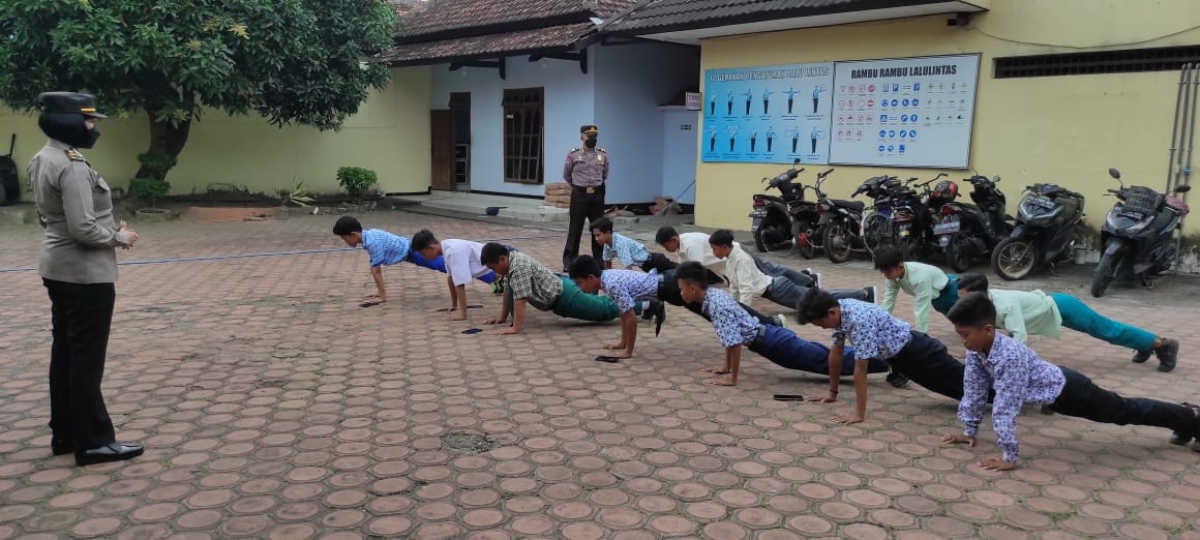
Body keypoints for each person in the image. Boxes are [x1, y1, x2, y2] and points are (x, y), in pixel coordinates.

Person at [942, 293, 1200, 471]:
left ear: (987, 330)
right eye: (959, 335)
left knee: (1124, 411)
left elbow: (1005, 407)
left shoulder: (1010, 356)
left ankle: (1190, 417)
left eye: (965, 335)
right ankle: (1185, 419)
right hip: (1054, 395)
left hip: (1072, 390)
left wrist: (1009, 456)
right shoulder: (977, 351)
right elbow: (974, 391)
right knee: (1124, 411)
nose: (963, 341)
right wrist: (968, 430)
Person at [30, 92, 144, 466]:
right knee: (86, 358)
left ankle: (65, 432)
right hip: (84, 273)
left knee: (64, 352)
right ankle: (93, 441)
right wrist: (119, 238)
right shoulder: (72, 165)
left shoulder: (41, 157)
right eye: (89, 121)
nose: (93, 128)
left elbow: (51, 219)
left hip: (56, 267)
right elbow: (82, 227)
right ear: (70, 122)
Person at [674, 262, 891, 387]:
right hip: (770, 338)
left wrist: (732, 377)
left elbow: (735, 343)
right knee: (820, 355)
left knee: (823, 360)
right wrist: (725, 368)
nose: (680, 293)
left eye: (682, 288)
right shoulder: (714, 297)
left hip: (773, 343)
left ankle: (885, 361)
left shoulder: (716, 306)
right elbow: (731, 340)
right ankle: (882, 357)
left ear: (693, 289)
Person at [799, 289, 996, 425]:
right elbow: (836, 353)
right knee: (957, 390)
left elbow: (861, 370)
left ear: (832, 312)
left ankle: (1011, 392)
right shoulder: (840, 311)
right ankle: (1006, 393)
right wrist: (832, 393)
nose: (823, 328)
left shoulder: (858, 320)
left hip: (920, 353)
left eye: (821, 324)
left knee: (964, 383)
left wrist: (859, 414)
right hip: (903, 358)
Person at [956, 274, 1180, 372]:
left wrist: (1009, 366)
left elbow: (1019, 338)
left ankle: (1162, 344)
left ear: (980, 294)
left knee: (1107, 330)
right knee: (1108, 330)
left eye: (964, 298)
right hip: (1051, 304)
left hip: (1064, 308)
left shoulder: (1005, 305)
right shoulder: (984, 302)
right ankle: (1145, 344)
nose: (961, 302)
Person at [481, 243, 658, 335]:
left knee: (602, 311)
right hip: (559, 287)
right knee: (601, 302)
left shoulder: (518, 268)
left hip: (565, 297)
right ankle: (641, 302)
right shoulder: (511, 262)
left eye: (493, 267)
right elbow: (508, 289)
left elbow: (520, 300)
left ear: (502, 260)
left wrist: (515, 328)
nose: (493, 271)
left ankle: (648, 305)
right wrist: (502, 317)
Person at [332, 217, 503, 305]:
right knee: (454, 268)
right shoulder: (370, 235)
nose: (344, 242)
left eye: (344, 238)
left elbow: (375, 270)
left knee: (455, 267)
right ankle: (497, 277)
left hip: (415, 253)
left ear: (353, 235)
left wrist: (382, 295)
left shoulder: (372, 242)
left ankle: (497, 278)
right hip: (412, 253)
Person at [708, 229, 875, 315]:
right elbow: (734, 287)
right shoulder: (730, 257)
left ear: (724, 246)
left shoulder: (740, 258)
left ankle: (864, 295)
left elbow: (745, 289)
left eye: (714, 249)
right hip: (774, 291)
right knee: (816, 299)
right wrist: (732, 305)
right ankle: (861, 294)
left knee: (820, 299)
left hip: (778, 289)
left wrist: (742, 312)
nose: (713, 253)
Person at [655, 226, 820, 288]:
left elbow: (694, 270)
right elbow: (684, 270)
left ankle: (809, 281)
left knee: (771, 270)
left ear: (673, 240)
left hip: (739, 253)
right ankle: (803, 276)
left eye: (665, 246)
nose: (667, 250)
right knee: (770, 273)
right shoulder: (680, 247)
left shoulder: (690, 245)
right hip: (729, 262)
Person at [568, 256, 667, 359]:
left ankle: (628, 348)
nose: (579, 288)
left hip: (668, 287)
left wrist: (628, 351)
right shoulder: (606, 277)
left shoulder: (611, 285)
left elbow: (631, 319)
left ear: (591, 278)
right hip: (662, 283)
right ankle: (624, 343)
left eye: (580, 283)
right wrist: (622, 343)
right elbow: (623, 311)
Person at [411, 229, 497, 322]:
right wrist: (454, 305)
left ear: (431, 248)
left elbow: (459, 283)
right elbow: (451, 277)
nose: (423, 257)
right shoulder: (445, 247)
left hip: (500, 259)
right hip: (493, 264)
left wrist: (463, 314)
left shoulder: (453, 252)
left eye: (423, 254)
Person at [874, 246, 958, 332]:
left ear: (900, 266)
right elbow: (888, 300)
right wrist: (878, 323)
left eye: (888, 271)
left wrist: (921, 335)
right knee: (959, 321)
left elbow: (921, 308)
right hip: (936, 298)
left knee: (966, 319)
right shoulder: (891, 277)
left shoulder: (919, 278)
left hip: (950, 291)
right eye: (883, 271)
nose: (885, 275)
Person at [562, 124, 608, 271]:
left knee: (598, 228)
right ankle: (570, 261)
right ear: (582, 137)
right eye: (589, 136)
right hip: (579, 194)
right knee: (575, 228)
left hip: (597, 194)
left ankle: (599, 261)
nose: (592, 139)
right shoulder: (574, 154)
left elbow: (605, 174)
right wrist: (577, 186)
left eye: (595, 136)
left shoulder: (602, 154)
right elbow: (567, 175)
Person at [590, 217, 674, 273]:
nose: (596, 239)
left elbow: (628, 268)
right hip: (646, 265)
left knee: (676, 273)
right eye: (594, 236)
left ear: (608, 233)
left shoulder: (620, 244)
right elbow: (607, 262)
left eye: (598, 235)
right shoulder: (607, 244)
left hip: (655, 261)